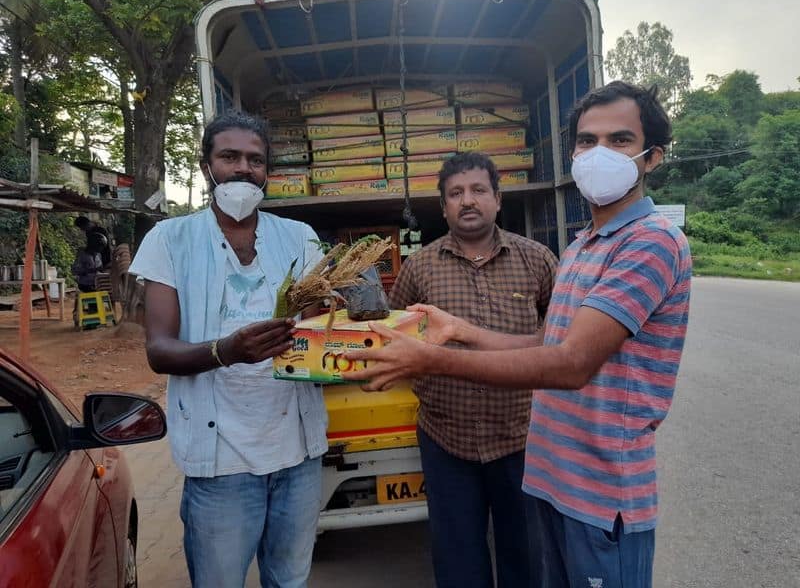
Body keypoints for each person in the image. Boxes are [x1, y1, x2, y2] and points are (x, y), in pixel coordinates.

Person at [344, 81, 692, 588]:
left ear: (652, 157)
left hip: (599, 492)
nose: (599, 154)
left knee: (520, 564)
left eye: (619, 140)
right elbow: (549, 342)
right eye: (587, 141)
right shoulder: (582, 247)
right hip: (544, 475)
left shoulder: (649, 243)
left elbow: (571, 363)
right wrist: (462, 331)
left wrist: (432, 360)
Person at [128, 110, 327, 588]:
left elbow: (321, 328)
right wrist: (227, 351)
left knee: (289, 581)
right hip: (221, 462)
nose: (243, 168)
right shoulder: (170, 239)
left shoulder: (298, 237)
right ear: (205, 167)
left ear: (267, 172)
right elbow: (159, 350)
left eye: (255, 160)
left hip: (297, 454)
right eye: (230, 156)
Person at [388, 151, 558, 588]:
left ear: (498, 199)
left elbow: (561, 340)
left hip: (522, 436)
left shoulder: (537, 260)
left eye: (479, 190)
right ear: (443, 206)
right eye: (456, 193)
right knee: (457, 558)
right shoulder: (418, 267)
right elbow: (397, 333)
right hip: (446, 439)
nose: (468, 201)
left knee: (527, 554)